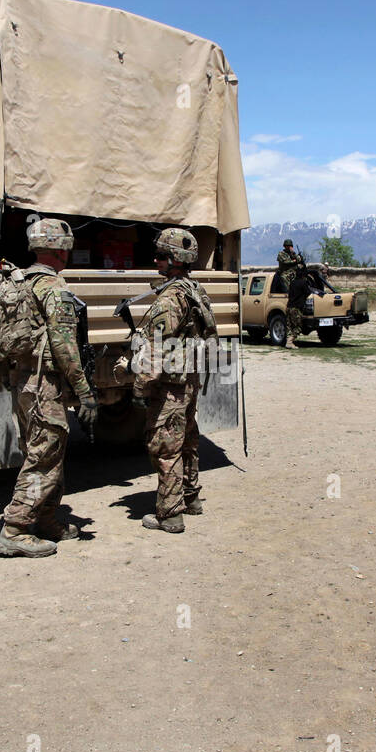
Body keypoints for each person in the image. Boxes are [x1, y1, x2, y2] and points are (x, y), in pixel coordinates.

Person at [0, 218, 100, 557]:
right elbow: (64, 345)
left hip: (24, 382)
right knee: (44, 455)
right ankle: (15, 528)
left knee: (46, 451)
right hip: (44, 385)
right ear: (61, 250)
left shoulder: (23, 282)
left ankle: (46, 520)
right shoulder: (52, 287)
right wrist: (84, 390)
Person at [136, 228, 208, 533]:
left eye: (162, 256)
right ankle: (191, 498)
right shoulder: (194, 290)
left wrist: (141, 386)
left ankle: (170, 515)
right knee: (188, 440)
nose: (156, 260)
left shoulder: (169, 298)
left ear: (177, 259)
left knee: (166, 447)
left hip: (171, 386)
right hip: (189, 381)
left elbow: (156, 347)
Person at [277, 240, 305, 348]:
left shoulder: (293, 254)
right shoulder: (281, 254)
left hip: (293, 274)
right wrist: (295, 260)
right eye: (288, 246)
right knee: (285, 280)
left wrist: (296, 257)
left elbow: (299, 261)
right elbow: (286, 263)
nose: (290, 248)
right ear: (285, 246)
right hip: (285, 274)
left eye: (290, 246)